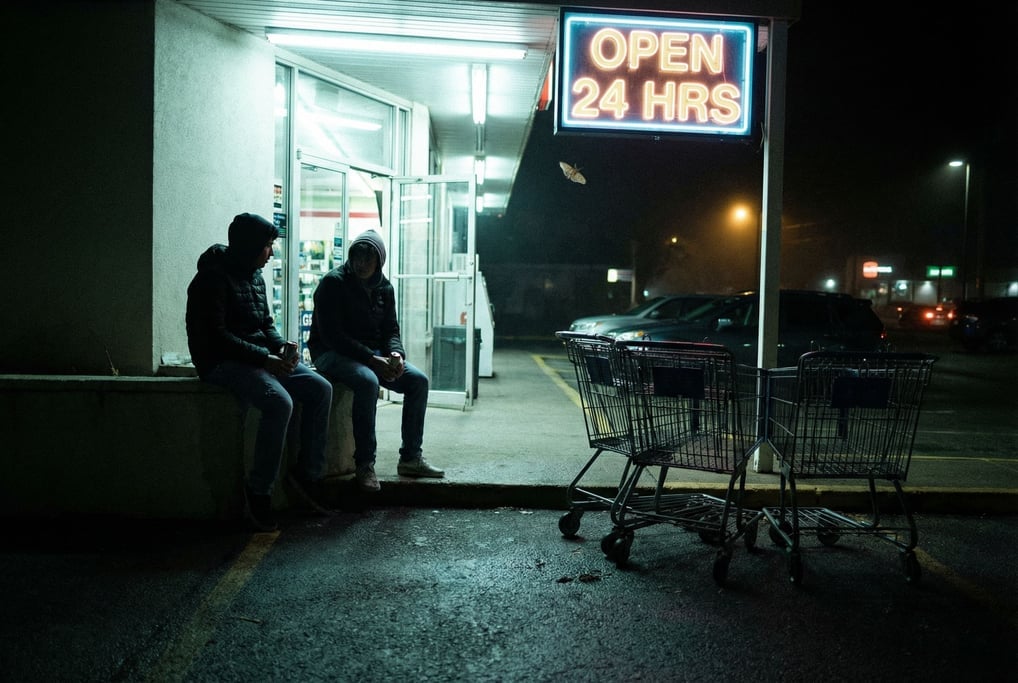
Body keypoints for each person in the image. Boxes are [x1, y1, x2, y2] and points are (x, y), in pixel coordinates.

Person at [186, 212, 334, 531]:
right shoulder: (211, 279)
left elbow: (265, 322)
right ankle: (259, 493)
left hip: (256, 357)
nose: (271, 254)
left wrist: (281, 347)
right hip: (219, 362)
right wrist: (265, 359)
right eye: (267, 246)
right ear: (250, 246)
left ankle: (308, 477)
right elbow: (217, 337)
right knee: (279, 402)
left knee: (321, 388)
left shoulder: (255, 275)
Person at [308, 229, 443, 493]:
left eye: (368, 259)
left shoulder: (385, 288)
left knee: (418, 381)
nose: (361, 264)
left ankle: (410, 458)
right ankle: (365, 464)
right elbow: (332, 336)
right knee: (368, 381)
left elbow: (391, 329)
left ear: (379, 261)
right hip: (330, 352)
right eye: (357, 257)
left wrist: (396, 355)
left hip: (371, 355)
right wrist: (372, 360)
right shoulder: (333, 283)